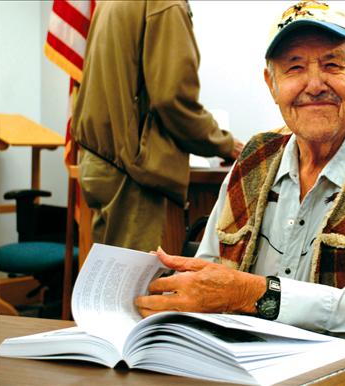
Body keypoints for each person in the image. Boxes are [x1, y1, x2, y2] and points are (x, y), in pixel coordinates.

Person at [135, 1, 345, 360]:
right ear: (272, 84)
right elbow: (211, 276)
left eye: (332, 64)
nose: (314, 84)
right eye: (294, 68)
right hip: (248, 368)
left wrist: (258, 295)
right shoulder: (253, 159)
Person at [71, 1, 243, 252]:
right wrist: (224, 143)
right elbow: (173, 99)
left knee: (110, 279)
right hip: (130, 169)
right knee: (133, 284)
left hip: (101, 159)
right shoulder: (165, 3)